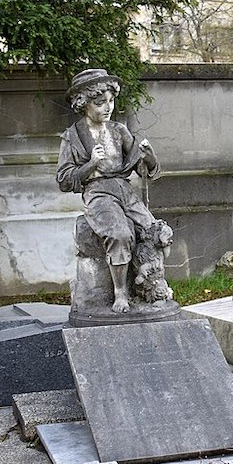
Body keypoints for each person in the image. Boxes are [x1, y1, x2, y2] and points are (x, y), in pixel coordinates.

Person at [57, 68, 163, 313]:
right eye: (100, 102)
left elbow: (141, 166)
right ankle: (120, 292)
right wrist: (90, 165)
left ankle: (151, 287)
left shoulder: (119, 131)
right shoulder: (73, 137)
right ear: (83, 103)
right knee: (119, 234)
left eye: (111, 101)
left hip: (125, 190)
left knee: (155, 232)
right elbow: (63, 179)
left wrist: (149, 157)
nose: (108, 107)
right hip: (98, 193)